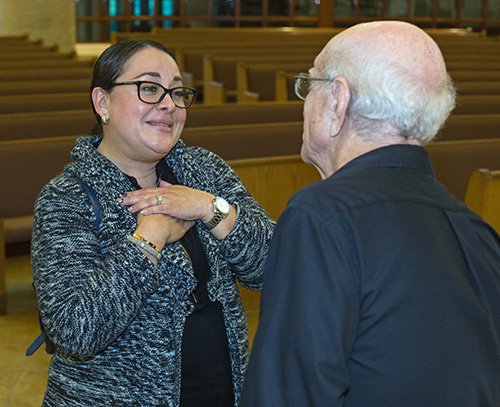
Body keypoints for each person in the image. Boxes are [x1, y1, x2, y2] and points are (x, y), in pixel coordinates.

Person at [242, 21, 500, 407]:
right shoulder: (476, 229)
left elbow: (288, 394)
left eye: (309, 84)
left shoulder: (320, 216)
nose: (304, 100)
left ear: (337, 100)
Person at [31, 39, 275, 406]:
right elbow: (75, 332)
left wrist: (211, 208)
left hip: (222, 393)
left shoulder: (204, 170)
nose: (168, 104)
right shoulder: (67, 198)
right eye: (149, 88)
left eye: (177, 92)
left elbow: (272, 266)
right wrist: (150, 236)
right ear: (103, 103)